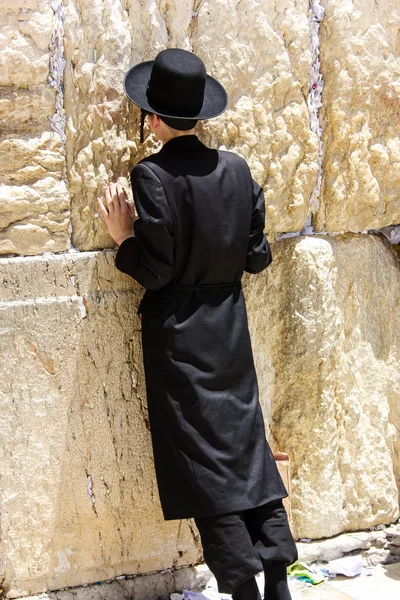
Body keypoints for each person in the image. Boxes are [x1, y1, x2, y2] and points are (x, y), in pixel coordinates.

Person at [97, 48, 298, 600]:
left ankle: (243, 589)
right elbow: (257, 256)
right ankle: (278, 577)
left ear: (153, 118)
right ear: (199, 115)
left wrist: (124, 239)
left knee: (205, 467)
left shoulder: (151, 175)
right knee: (245, 452)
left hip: (181, 340)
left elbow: (157, 271)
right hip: (229, 333)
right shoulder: (236, 169)